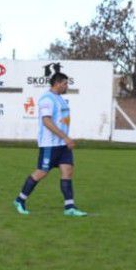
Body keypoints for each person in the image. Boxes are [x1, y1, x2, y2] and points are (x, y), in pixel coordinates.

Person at [13, 72, 88, 217]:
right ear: (58, 83)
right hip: (50, 144)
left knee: (68, 171)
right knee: (41, 172)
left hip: (62, 145)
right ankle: (20, 200)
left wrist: (65, 139)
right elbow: (46, 121)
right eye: (65, 83)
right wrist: (65, 137)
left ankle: (69, 207)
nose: (67, 86)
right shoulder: (46, 99)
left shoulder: (60, 99)